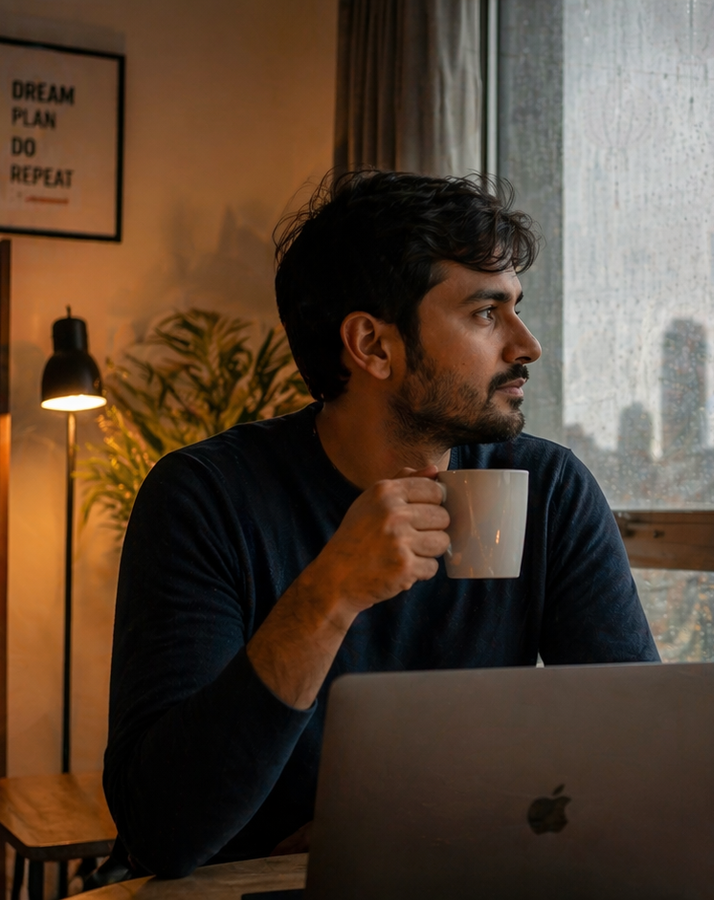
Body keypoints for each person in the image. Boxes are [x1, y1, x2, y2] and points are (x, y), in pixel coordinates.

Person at [103, 171, 659, 878]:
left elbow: (638, 761)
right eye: (487, 313)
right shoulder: (204, 500)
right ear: (371, 345)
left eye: (516, 308)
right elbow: (162, 830)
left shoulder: (547, 490)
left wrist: (382, 834)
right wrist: (329, 593)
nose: (527, 345)